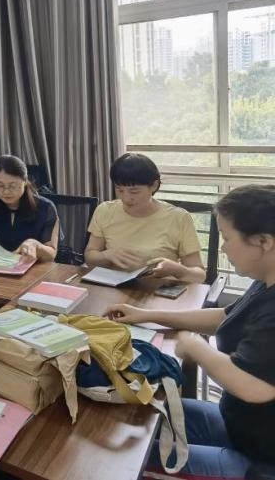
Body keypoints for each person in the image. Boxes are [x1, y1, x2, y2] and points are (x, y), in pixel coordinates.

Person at [106, 185, 275, 478]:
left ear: (264, 241)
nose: (222, 248)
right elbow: (225, 317)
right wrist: (148, 315)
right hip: (240, 424)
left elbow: (254, 387)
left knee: (123, 460)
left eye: (227, 238)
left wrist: (194, 346)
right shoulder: (266, 280)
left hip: (260, 457)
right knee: (138, 412)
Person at [85, 153, 205, 282]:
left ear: (154, 185)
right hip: (112, 286)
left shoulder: (179, 218)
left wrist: (177, 270)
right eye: (119, 190)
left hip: (156, 289)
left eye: (134, 191)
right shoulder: (104, 211)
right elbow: (89, 257)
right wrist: (106, 255)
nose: (126, 198)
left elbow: (199, 276)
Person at [0, 155, 59, 262]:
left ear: (25, 181)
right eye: (0, 185)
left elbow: (51, 254)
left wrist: (36, 246)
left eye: (13, 185)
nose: (6, 191)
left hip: (31, 267)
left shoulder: (46, 208)